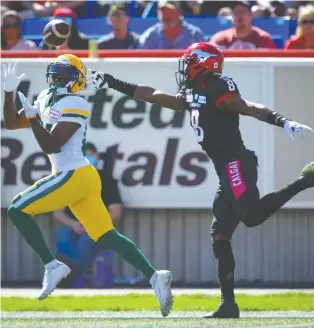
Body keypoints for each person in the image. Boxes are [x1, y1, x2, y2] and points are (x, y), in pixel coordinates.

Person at [89, 42, 314, 318]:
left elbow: (249, 107)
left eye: (189, 61)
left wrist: (282, 121)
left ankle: (306, 180)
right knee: (220, 237)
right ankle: (228, 305)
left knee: (252, 216)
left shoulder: (220, 89)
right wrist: (113, 83)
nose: (184, 67)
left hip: (236, 164)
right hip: (225, 169)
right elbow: (156, 95)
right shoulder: (194, 92)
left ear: (202, 64)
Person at [1, 55, 172, 318]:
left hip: (74, 173)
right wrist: (9, 92)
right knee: (106, 235)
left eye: (64, 75)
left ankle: (52, 265)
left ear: (77, 81)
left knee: (16, 209)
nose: (57, 80)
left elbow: (52, 145)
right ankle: (154, 275)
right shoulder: (47, 96)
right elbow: (12, 123)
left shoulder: (75, 102)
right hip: (81, 177)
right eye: (54, 74)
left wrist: (35, 118)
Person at [53, 142, 123, 287]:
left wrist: (91, 224)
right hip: (74, 227)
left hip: (97, 228)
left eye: (90, 155)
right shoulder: (67, 180)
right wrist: (73, 224)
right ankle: (68, 275)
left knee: (86, 240)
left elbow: (116, 212)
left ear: (97, 156)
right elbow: (57, 212)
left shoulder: (107, 181)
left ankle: (68, 277)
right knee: (63, 234)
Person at [210, 1, 276, 50]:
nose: (239, 15)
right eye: (236, 12)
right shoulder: (220, 39)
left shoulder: (263, 39)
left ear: (251, 16)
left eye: (243, 12)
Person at [139, 1, 205, 49]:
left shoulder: (195, 35)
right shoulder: (149, 37)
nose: (166, 15)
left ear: (179, 12)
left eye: (170, 11)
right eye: (162, 11)